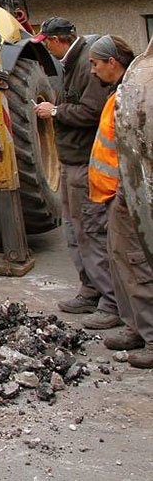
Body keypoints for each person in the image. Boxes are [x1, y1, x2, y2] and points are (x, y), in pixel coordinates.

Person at [33, 17, 115, 325]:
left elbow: (93, 112)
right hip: (71, 161)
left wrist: (54, 112)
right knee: (74, 231)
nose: (48, 49)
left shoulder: (85, 64)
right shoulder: (75, 63)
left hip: (84, 163)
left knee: (91, 232)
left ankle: (110, 303)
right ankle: (90, 290)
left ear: (57, 41)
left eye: (47, 43)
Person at [85, 36, 153, 367]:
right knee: (120, 260)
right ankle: (134, 327)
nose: (93, 71)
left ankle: (151, 335)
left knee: (137, 263)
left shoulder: (136, 92)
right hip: (117, 192)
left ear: (113, 62)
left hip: (130, 189)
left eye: (96, 64)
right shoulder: (121, 92)